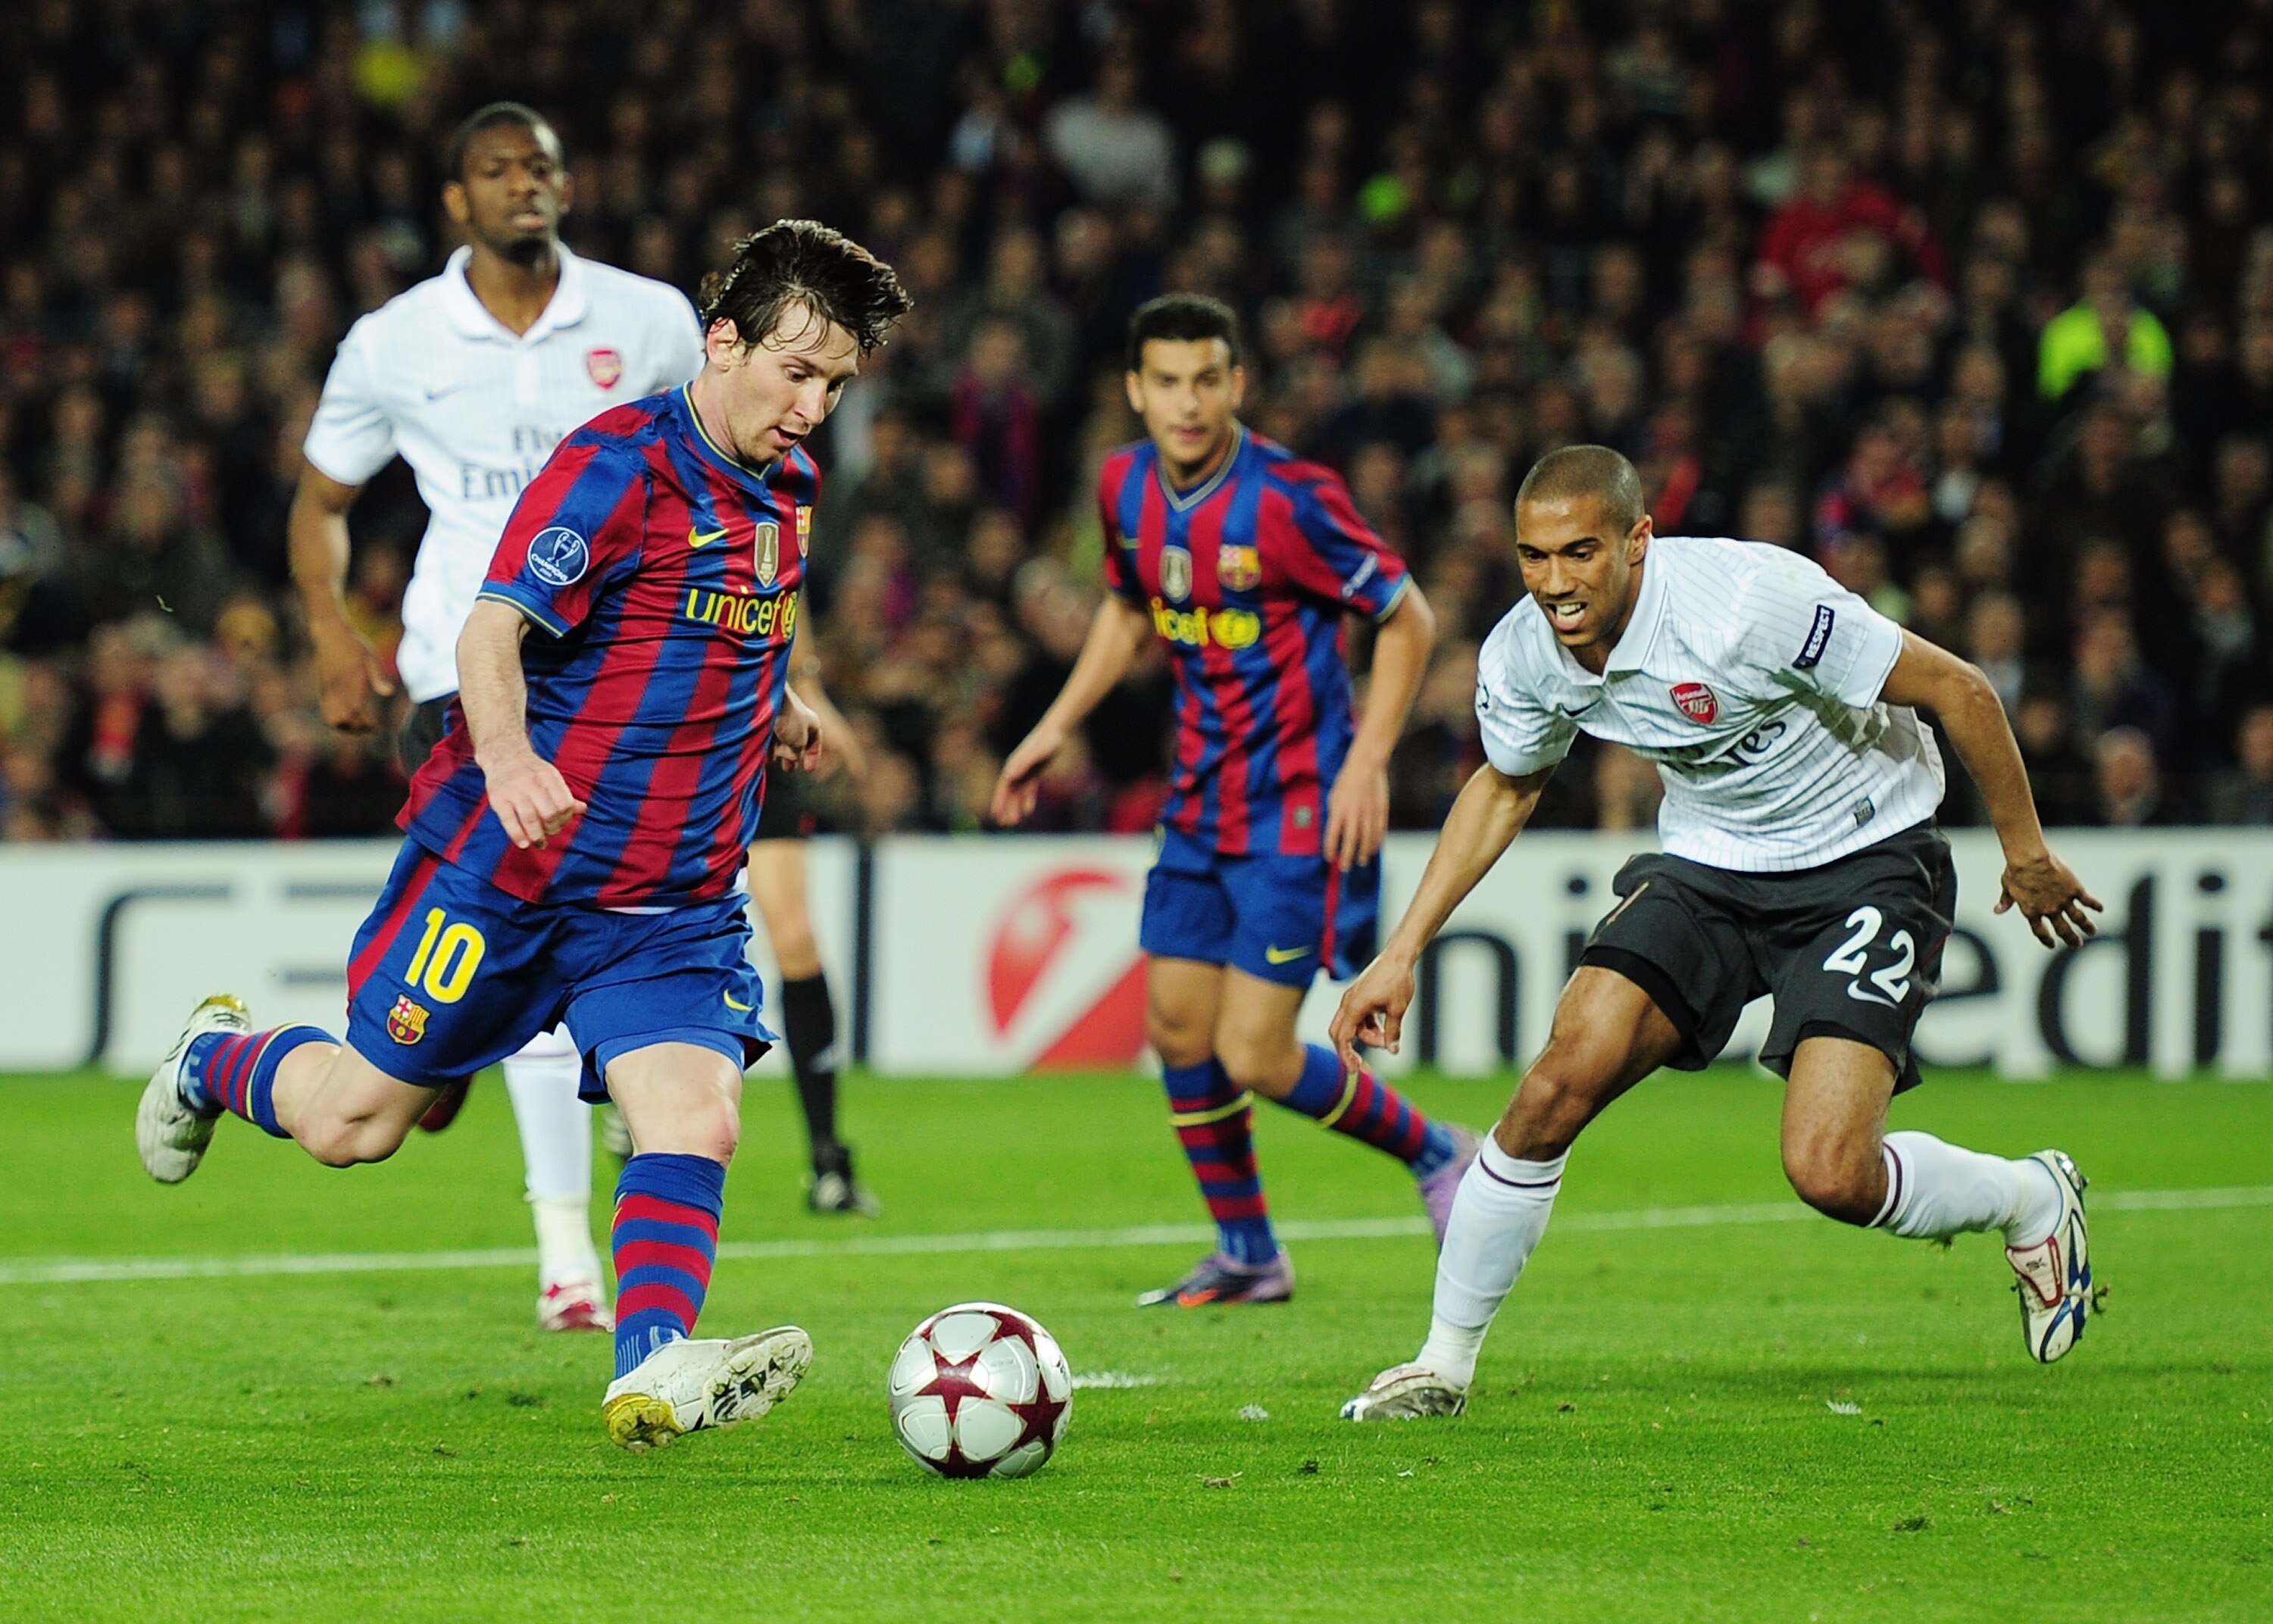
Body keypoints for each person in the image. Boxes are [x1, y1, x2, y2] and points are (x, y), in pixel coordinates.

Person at [136, 220, 914, 1452]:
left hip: (666, 901)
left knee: (696, 1115)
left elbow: (728, 627)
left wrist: (782, 701)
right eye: (796, 371)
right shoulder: (616, 468)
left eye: (834, 384)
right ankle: (213, 1058)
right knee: (354, 1125)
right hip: (508, 873)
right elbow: (492, 630)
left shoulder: (790, 488)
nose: (813, 406)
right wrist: (506, 756)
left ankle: (650, 1368)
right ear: (722, 343)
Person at [1334, 445, 2104, 1422]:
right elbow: (1508, 783)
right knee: (1557, 1081)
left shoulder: (1751, 604)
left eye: (1580, 554)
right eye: (1535, 558)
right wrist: (1402, 952)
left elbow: (1962, 692)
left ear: (1638, 542)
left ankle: (2031, 1197)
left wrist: (2024, 854)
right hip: (1710, 865)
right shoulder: (1525, 650)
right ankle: (1441, 1367)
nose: (1556, 585)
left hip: (1867, 855)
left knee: (1829, 1171)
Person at [289, 103, 705, 1333]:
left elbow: (733, 491)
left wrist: (777, 671)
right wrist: (326, 629)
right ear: (456, 201)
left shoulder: (649, 321)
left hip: (636, 681)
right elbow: (322, 503)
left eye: (542, 167)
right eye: (496, 171)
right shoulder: (394, 339)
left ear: (567, 187)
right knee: (526, 925)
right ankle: (567, 1253)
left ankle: (510, 1101)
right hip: (458, 676)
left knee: (575, 949)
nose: (525, 184)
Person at [992, 294, 1474, 1309]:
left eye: (1207, 378)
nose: (1187, 400)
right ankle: (1250, 1253)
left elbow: (1407, 616)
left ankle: (1438, 1153)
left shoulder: (1292, 499)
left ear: (1237, 384)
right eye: (1166, 381)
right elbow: (1130, 607)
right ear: (1135, 390)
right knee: (1177, 1029)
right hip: (1198, 797)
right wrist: (1059, 721)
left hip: (1298, 801)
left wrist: (1369, 758)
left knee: (1251, 1051)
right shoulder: (1122, 485)